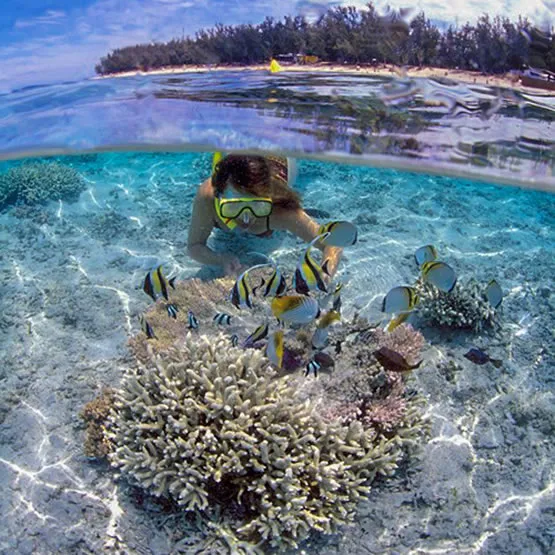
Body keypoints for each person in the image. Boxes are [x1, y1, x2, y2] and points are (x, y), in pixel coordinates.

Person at [187, 154, 343, 277]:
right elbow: (194, 246)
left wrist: (325, 276)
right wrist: (221, 259)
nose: (246, 218)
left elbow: (333, 243)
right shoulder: (208, 197)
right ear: (219, 198)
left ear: (268, 198)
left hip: (282, 156)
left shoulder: (279, 208)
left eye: (257, 206)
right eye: (233, 206)